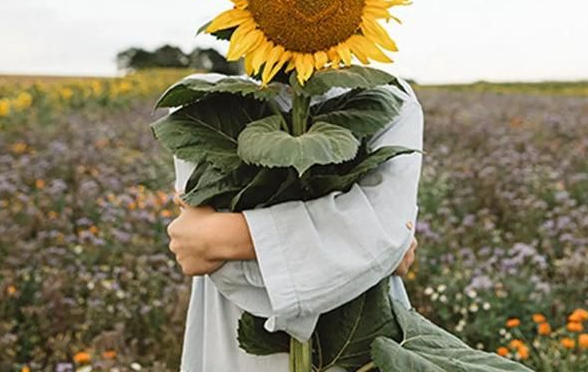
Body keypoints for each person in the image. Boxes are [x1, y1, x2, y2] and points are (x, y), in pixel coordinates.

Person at [166, 72, 424, 371]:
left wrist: (222, 238)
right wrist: (366, 253)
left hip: (362, 338)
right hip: (239, 338)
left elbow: (383, 236)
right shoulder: (202, 98)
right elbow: (227, 272)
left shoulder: (388, 97)